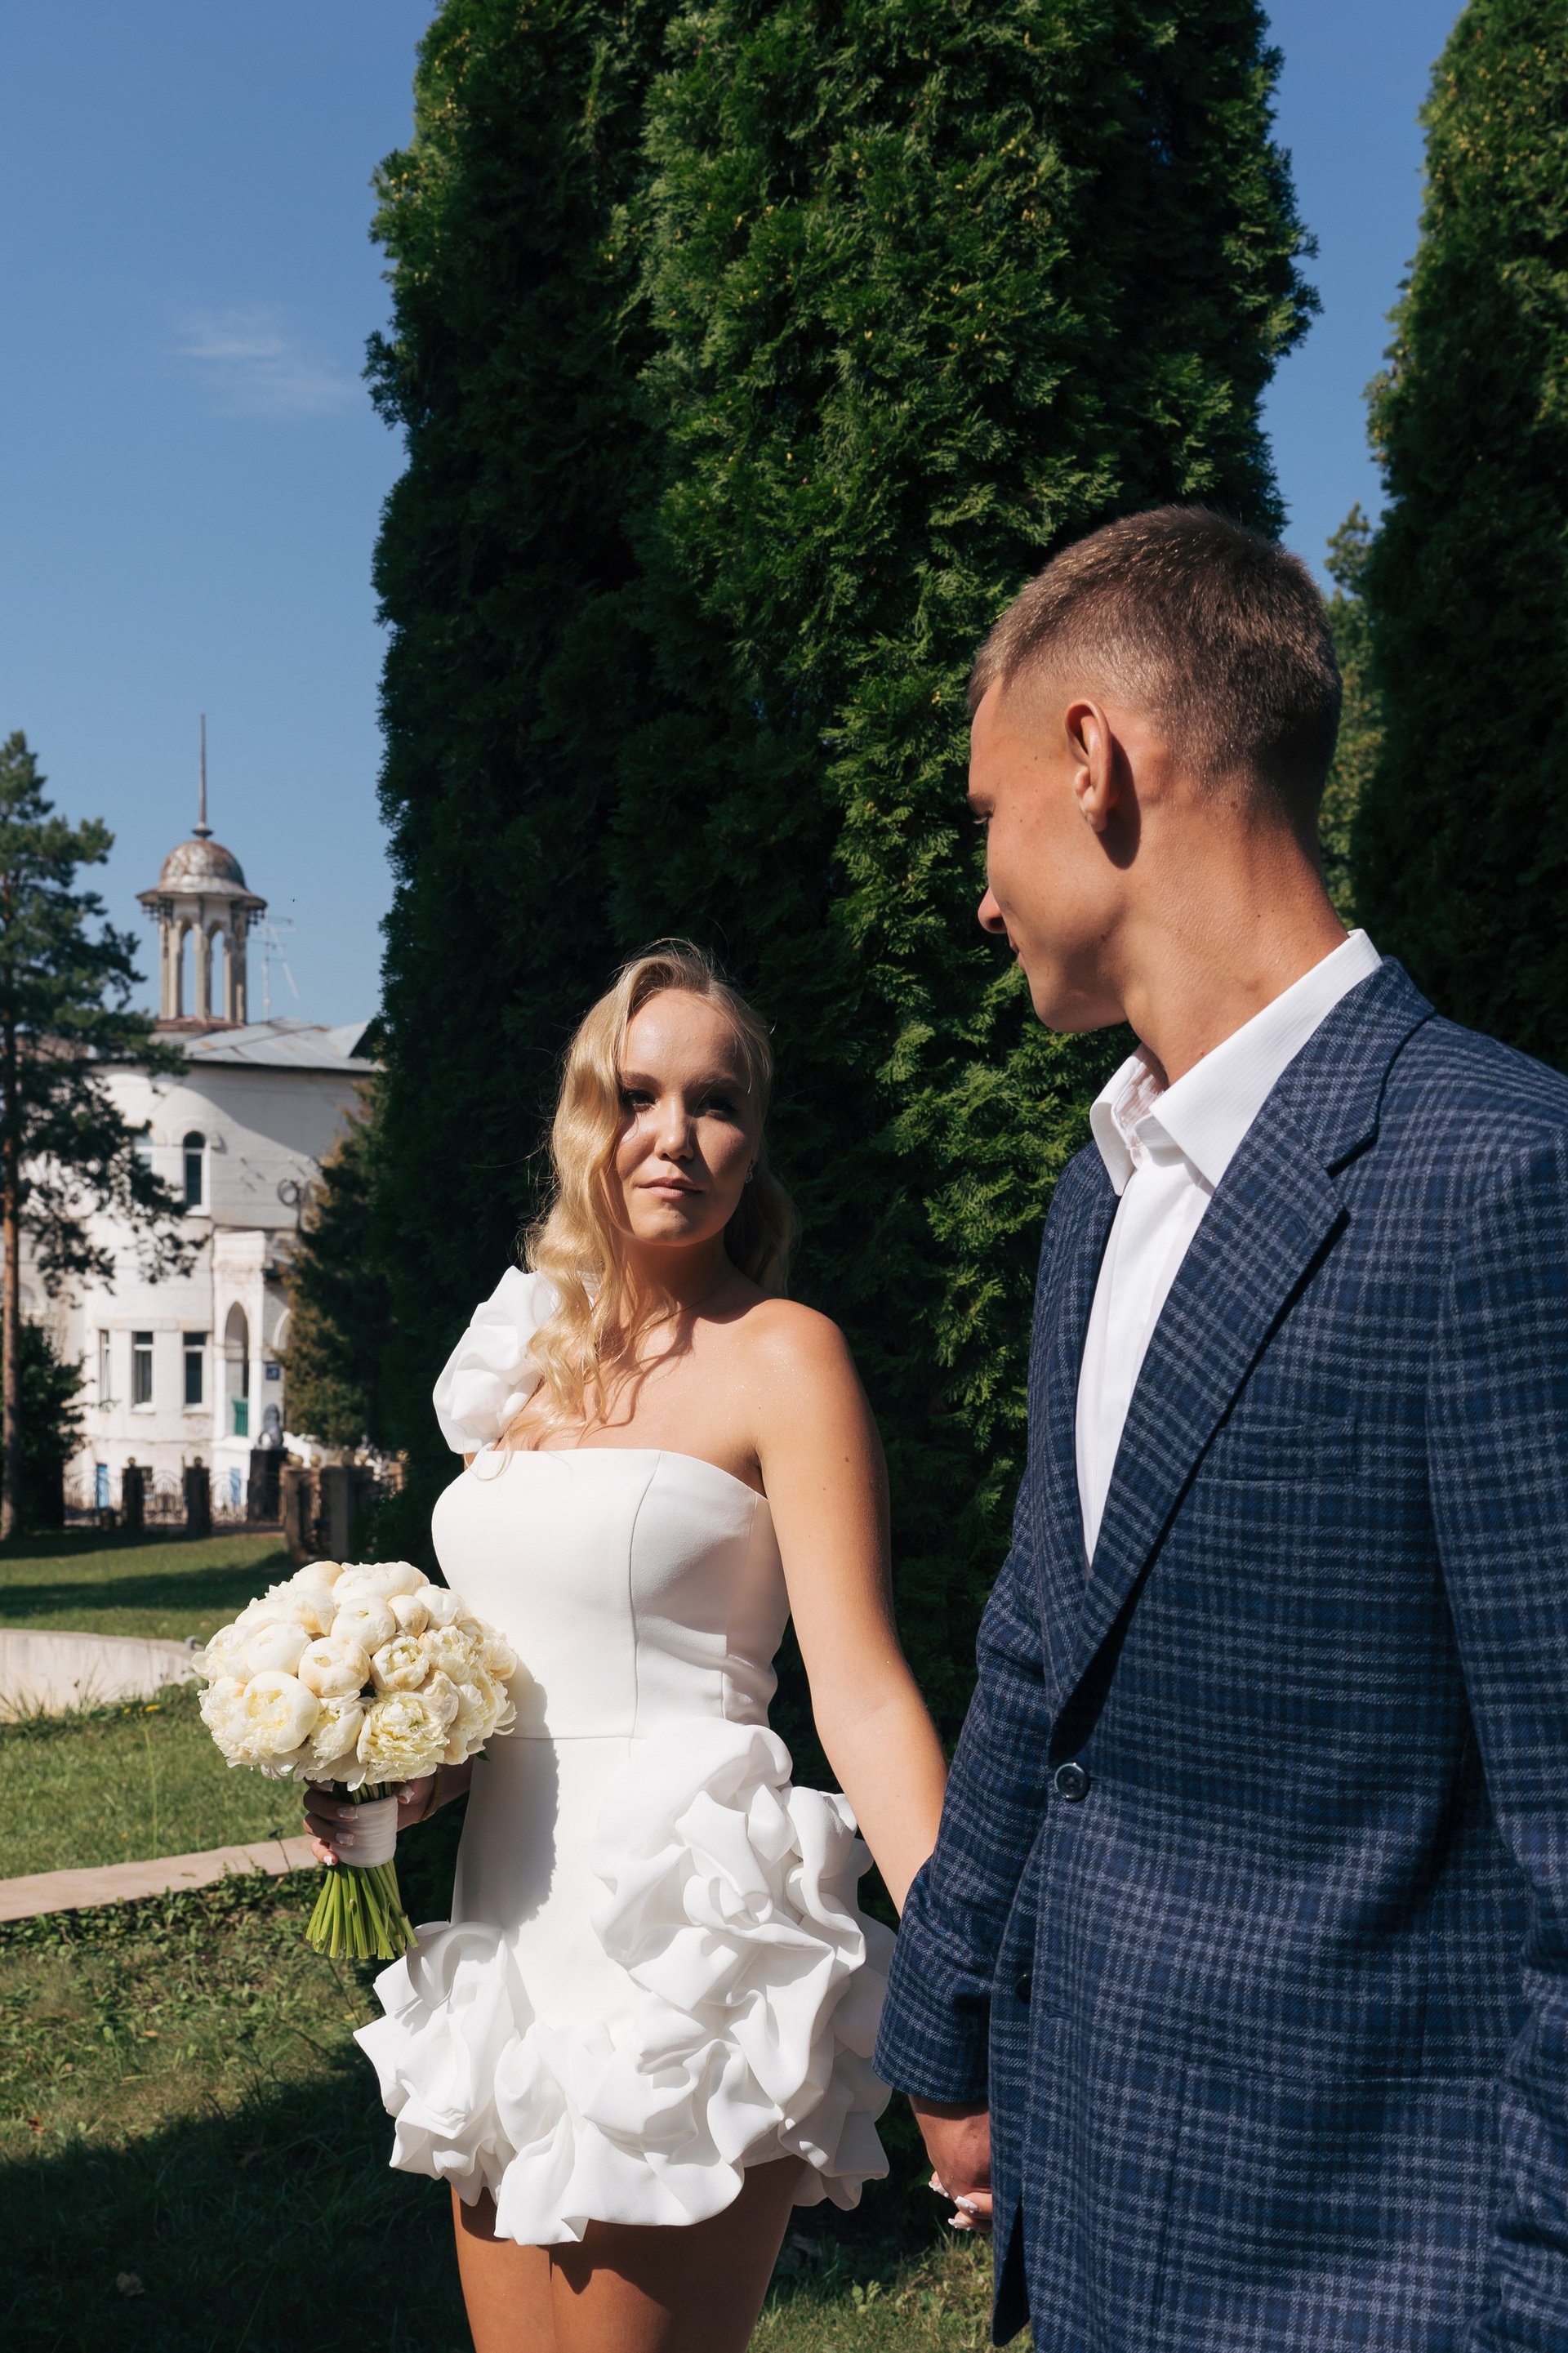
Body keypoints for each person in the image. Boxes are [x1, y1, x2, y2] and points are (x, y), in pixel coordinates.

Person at [872, 506, 1568, 2350]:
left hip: (1372, 2275)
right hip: (1103, 2221)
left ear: (1092, 759)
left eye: (985, 815)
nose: (981, 894)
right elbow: (1045, 1635)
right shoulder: (1101, 1188)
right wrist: (944, 2014)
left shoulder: (1500, 1180)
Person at [306, 943, 947, 2353]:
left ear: (755, 1142)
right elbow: (524, 1681)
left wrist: (963, 1992)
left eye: (718, 1102)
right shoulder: (518, 1367)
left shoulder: (784, 1355)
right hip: (503, 1937)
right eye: (637, 1095)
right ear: (582, 1123)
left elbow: (861, 1690)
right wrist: (400, 1777)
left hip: (684, 1945)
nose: (676, 1134)